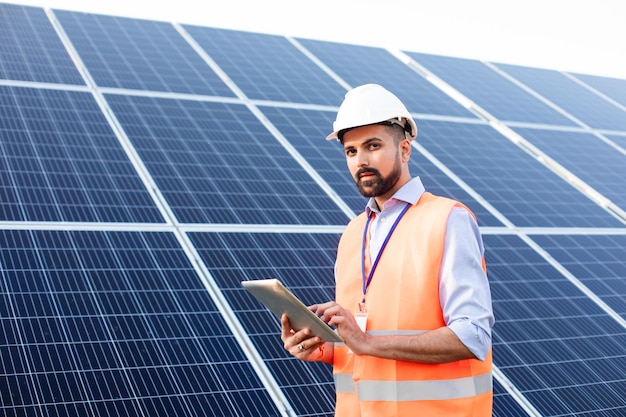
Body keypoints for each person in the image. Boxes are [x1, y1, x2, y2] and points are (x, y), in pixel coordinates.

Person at [280, 83, 494, 417]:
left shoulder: (448, 218)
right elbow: (361, 339)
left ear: (405, 149)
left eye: (373, 146)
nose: (360, 160)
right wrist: (324, 347)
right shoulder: (352, 233)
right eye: (351, 151)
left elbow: (473, 336)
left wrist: (368, 344)